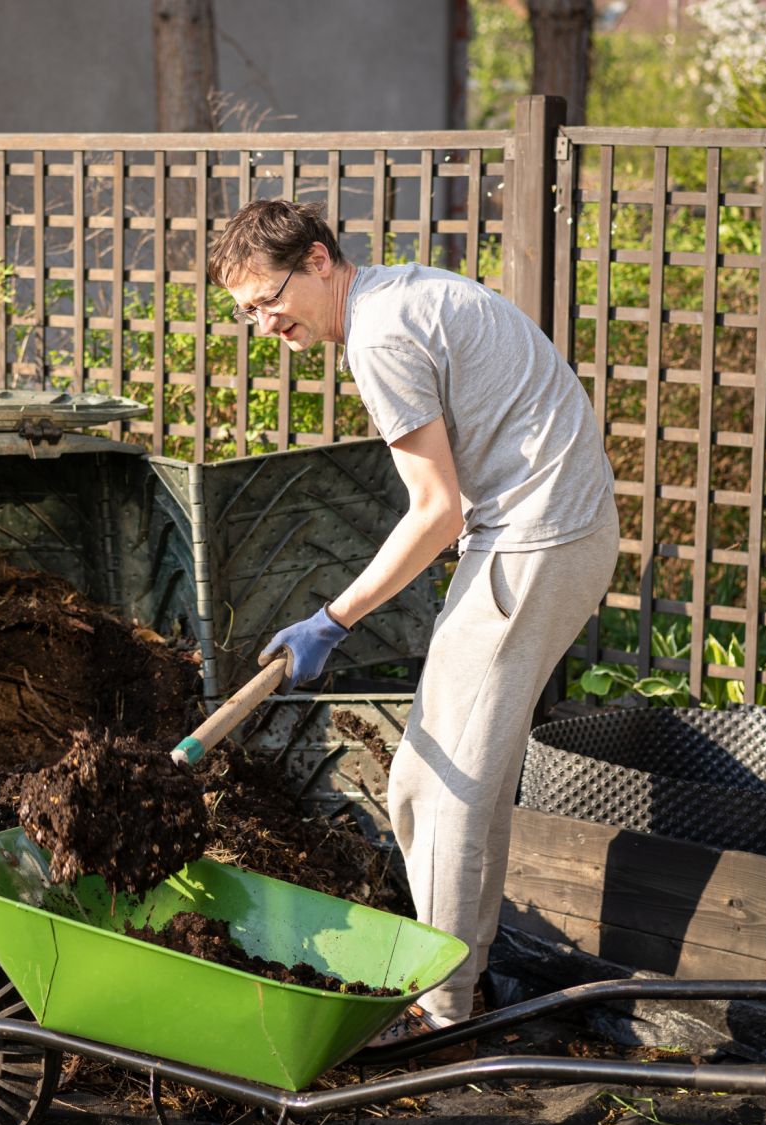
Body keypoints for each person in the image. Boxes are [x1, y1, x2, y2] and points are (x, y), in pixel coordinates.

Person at [208, 200, 618, 1037]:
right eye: (245, 313)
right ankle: (465, 976)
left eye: (268, 299)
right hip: (545, 532)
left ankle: (440, 1010)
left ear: (319, 260)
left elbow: (433, 511)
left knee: (436, 786)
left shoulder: (381, 335)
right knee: (445, 775)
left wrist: (333, 616)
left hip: (533, 542)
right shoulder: (399, 296)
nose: (262, 324)